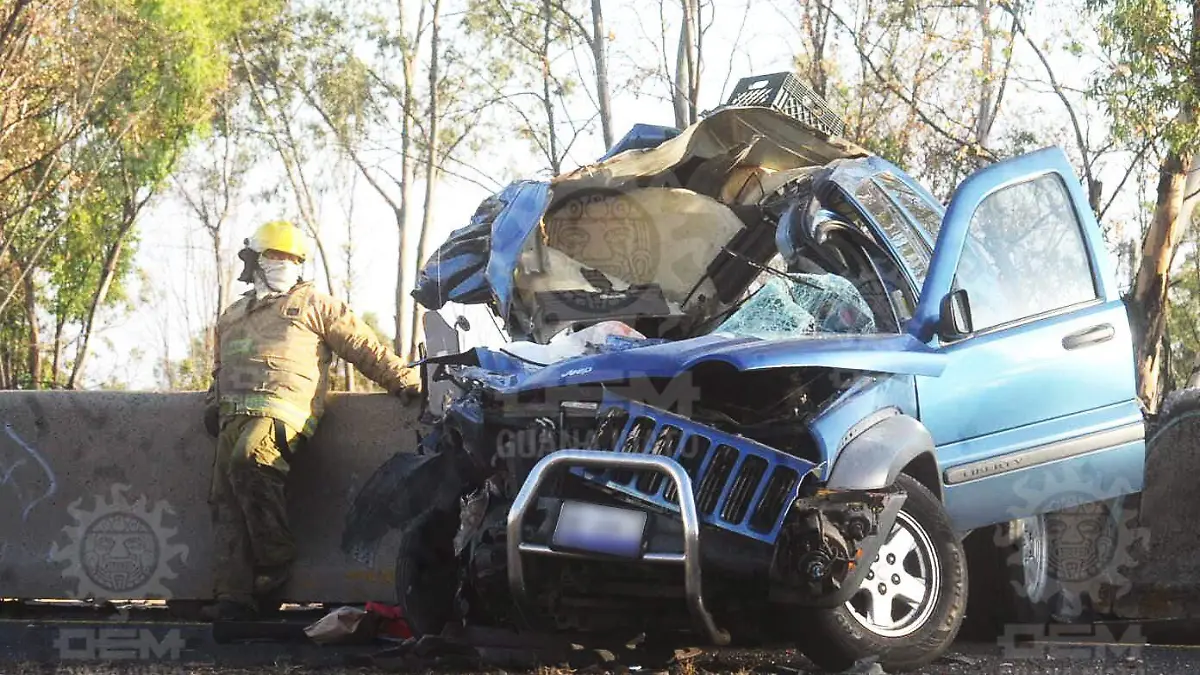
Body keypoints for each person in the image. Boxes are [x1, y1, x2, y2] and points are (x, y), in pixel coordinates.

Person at [200, 219, 419, 621]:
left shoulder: (316, 305)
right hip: (233, 414)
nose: (283, 263)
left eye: (290, 257)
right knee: (225, 502)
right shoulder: (232, 316)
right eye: (274, 255)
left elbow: (362, 345)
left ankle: (276, 559)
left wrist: (404, 380)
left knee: (250, 462)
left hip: (282, 410)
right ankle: (235, 598)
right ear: (254, 262)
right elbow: (219, 368)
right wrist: (214, 403)